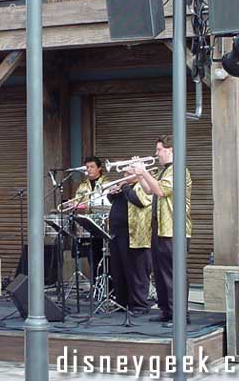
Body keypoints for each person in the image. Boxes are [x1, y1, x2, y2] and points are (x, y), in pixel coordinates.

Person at [129, 135, 192, 325]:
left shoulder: (179, 170)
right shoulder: (165, 171)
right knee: (160, 273)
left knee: (174, 274)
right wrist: (140, 175)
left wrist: (144, 171)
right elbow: (149, 190)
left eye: (159, 150)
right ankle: (166, 310)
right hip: (159, 228)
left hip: (175, 229)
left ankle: (179, 315)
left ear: (171, 150)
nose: (156, 154)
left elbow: (161, 191)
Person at [107, 174, 152, 315]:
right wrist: (112, 194)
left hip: (135, 235)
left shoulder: (144, 185)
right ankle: (121, 302)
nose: (124, 177)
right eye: (124, 174)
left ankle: (139, 305)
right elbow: (116, 202)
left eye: (128, 173)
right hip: (117, 233)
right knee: (118, 270)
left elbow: (139, 201)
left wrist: (125, 187)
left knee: (136, 272)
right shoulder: (126, 188)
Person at [72, 156, 108, 280]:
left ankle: (104, 285)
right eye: (87, 167)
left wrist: (88, 206)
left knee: (102, 258)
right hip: (88, 226)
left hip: (103, 226)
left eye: (92, 167)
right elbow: (77, 202)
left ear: (99, 168)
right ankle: (95, 284)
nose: (89, 169)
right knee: (91, 257)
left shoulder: (107, 183)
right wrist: (75, 206)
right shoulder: (82, 186)